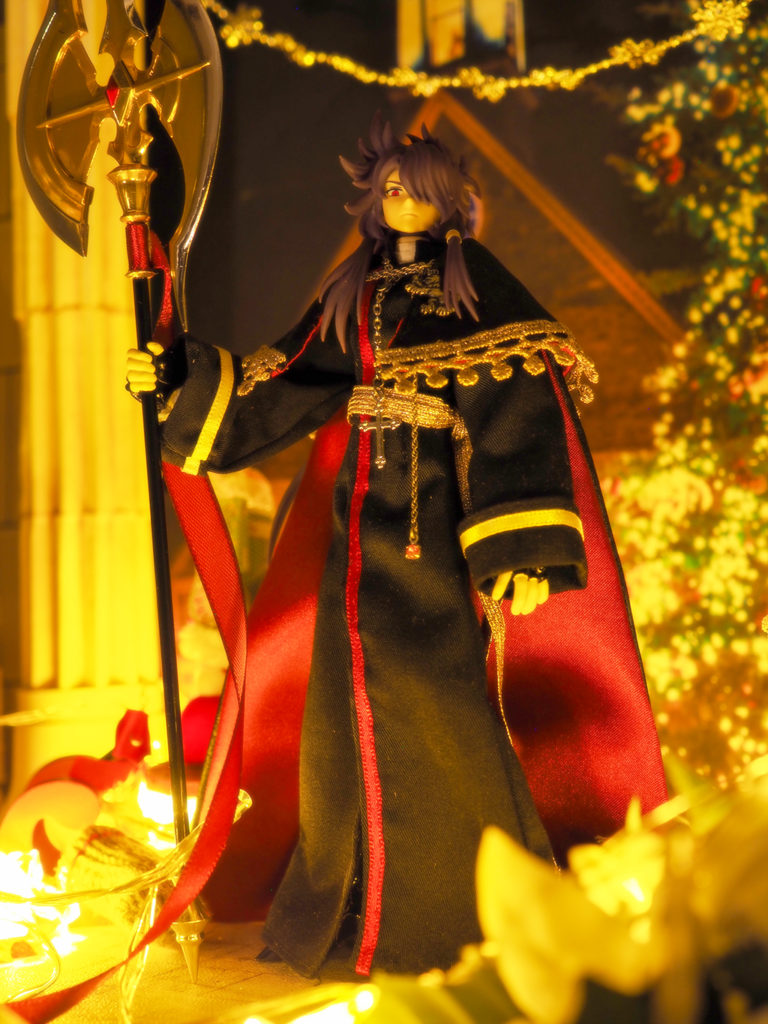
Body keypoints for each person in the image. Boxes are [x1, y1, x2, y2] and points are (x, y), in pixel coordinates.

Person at [127, 118, 667, 978]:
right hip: (360, 532)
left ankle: (468, 910)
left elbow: (515, 409)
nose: (400, 201)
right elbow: (286, 379)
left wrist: (519, 548)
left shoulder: (477, 287)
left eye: (415, 189)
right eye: (388, 189)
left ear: (447, 199)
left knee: (436, 709)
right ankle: (351, 909)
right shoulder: (359, 292)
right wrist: (176, 377)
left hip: (434, 536)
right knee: (342, 718)